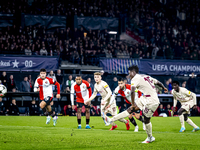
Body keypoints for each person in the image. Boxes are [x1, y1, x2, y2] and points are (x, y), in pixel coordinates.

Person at [104, 65, 168, 143]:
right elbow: (158, 82)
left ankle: (150, 137)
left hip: (152, 100)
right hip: (145, 97)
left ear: (133, 72)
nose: (128, 75)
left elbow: (132, 91)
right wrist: (164, 88)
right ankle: (111, 120)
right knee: (130, 110)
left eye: (129, 73)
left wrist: (133, 103)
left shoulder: (135, 79)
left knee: (146, 119)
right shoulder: (146, 76)